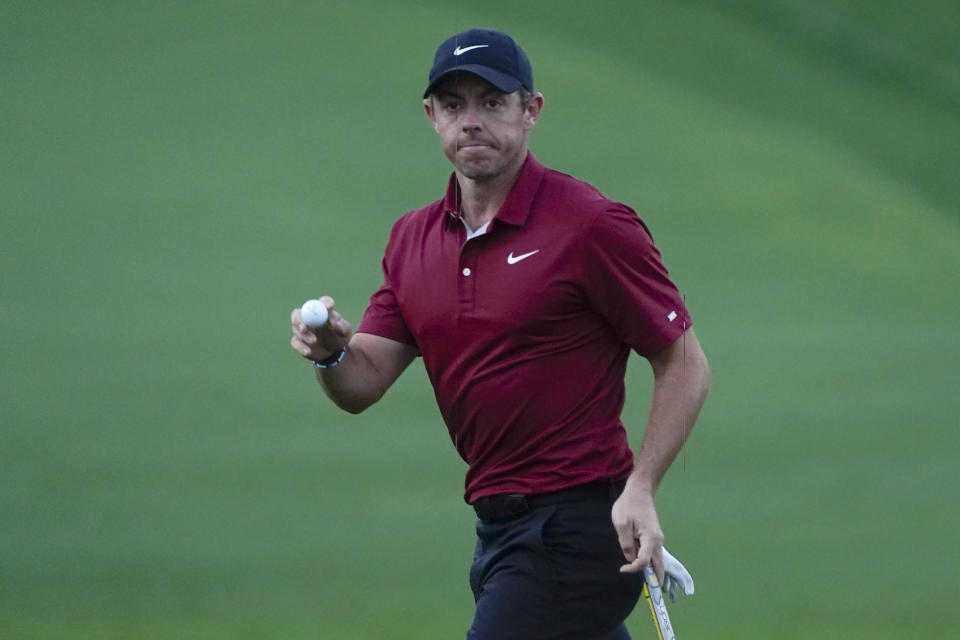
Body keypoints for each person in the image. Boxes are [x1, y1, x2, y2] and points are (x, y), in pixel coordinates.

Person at [290, 27, 710, 640]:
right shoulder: (413, 240)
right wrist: (329, 355)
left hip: (578, 526)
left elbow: (685, 363)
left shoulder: (590, 224)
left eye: (492, 101)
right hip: (498, 531)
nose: (472, 121)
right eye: (455, 105)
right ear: (432, 117)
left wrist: (642, 486)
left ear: (530, 111)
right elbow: (364, 380)